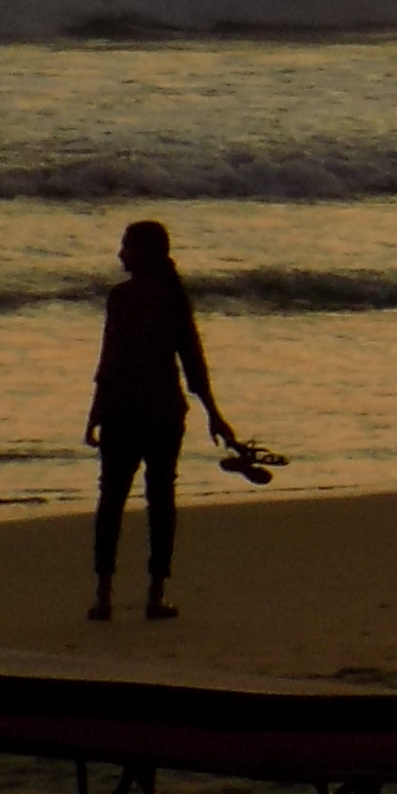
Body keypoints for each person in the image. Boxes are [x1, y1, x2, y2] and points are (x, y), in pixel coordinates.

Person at [86, 220, 241, 623]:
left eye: (126, 247)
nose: (120, 254)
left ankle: (104, 596)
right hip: (164, 412)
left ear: (143, 252)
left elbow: (111, 359)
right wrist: (213, 413)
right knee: (161, 501)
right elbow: (193, 360)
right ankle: (155, 595)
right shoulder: (173, 296)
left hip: (124, 412)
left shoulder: (122, 298)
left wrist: (95, 411)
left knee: (112, 500)